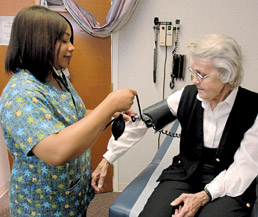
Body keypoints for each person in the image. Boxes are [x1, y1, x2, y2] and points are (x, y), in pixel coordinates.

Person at [92, 33, 258, 217]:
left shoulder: (252, 108)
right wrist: (108, 158)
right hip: (185, 171)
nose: (194, 80)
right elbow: (141, 123)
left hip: (230, 180)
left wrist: (204, 196)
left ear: (227, 74)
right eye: (193, 72)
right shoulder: (186, 96)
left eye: (202, 74)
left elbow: (244, 167)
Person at [0, 5, 137, 217]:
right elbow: (55, 151)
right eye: (63, 41)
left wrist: (112, 114)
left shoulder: (56, 77)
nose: (72, 47)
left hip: (68, 196)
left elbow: (75, 116)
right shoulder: (21, 93)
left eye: (70, 40)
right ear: (38, 41)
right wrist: (109, 104)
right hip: (42, 207)